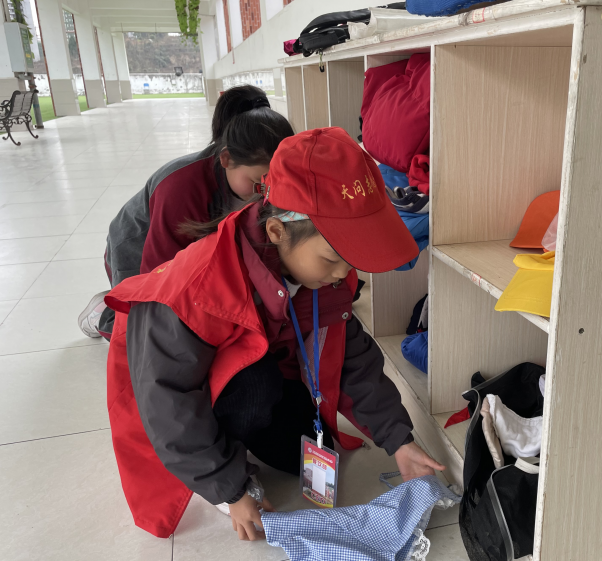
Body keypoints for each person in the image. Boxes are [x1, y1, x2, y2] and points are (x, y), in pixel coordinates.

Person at [103, 127, 446, 541]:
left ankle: (247, 428)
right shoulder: (198, 286)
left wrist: (399, 441)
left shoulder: (318, 273)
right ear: (278, 232)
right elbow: (167, 397)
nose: (344, 274)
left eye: (351, 259)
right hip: (168, 386)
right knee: (255, 387)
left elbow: (353, 358)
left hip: (262, 364)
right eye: (333, 258)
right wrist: (230, 488)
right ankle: (223, 453)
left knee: (306, 452)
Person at [77, 85, 295, 340]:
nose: (265, 193)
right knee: (147, 332)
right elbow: (161, 275)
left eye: (273, 183)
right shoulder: (181, 186)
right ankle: (103, 314)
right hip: (139, 247)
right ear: (226, 159)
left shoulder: (249, 176)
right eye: (258, 183)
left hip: (185, 243)